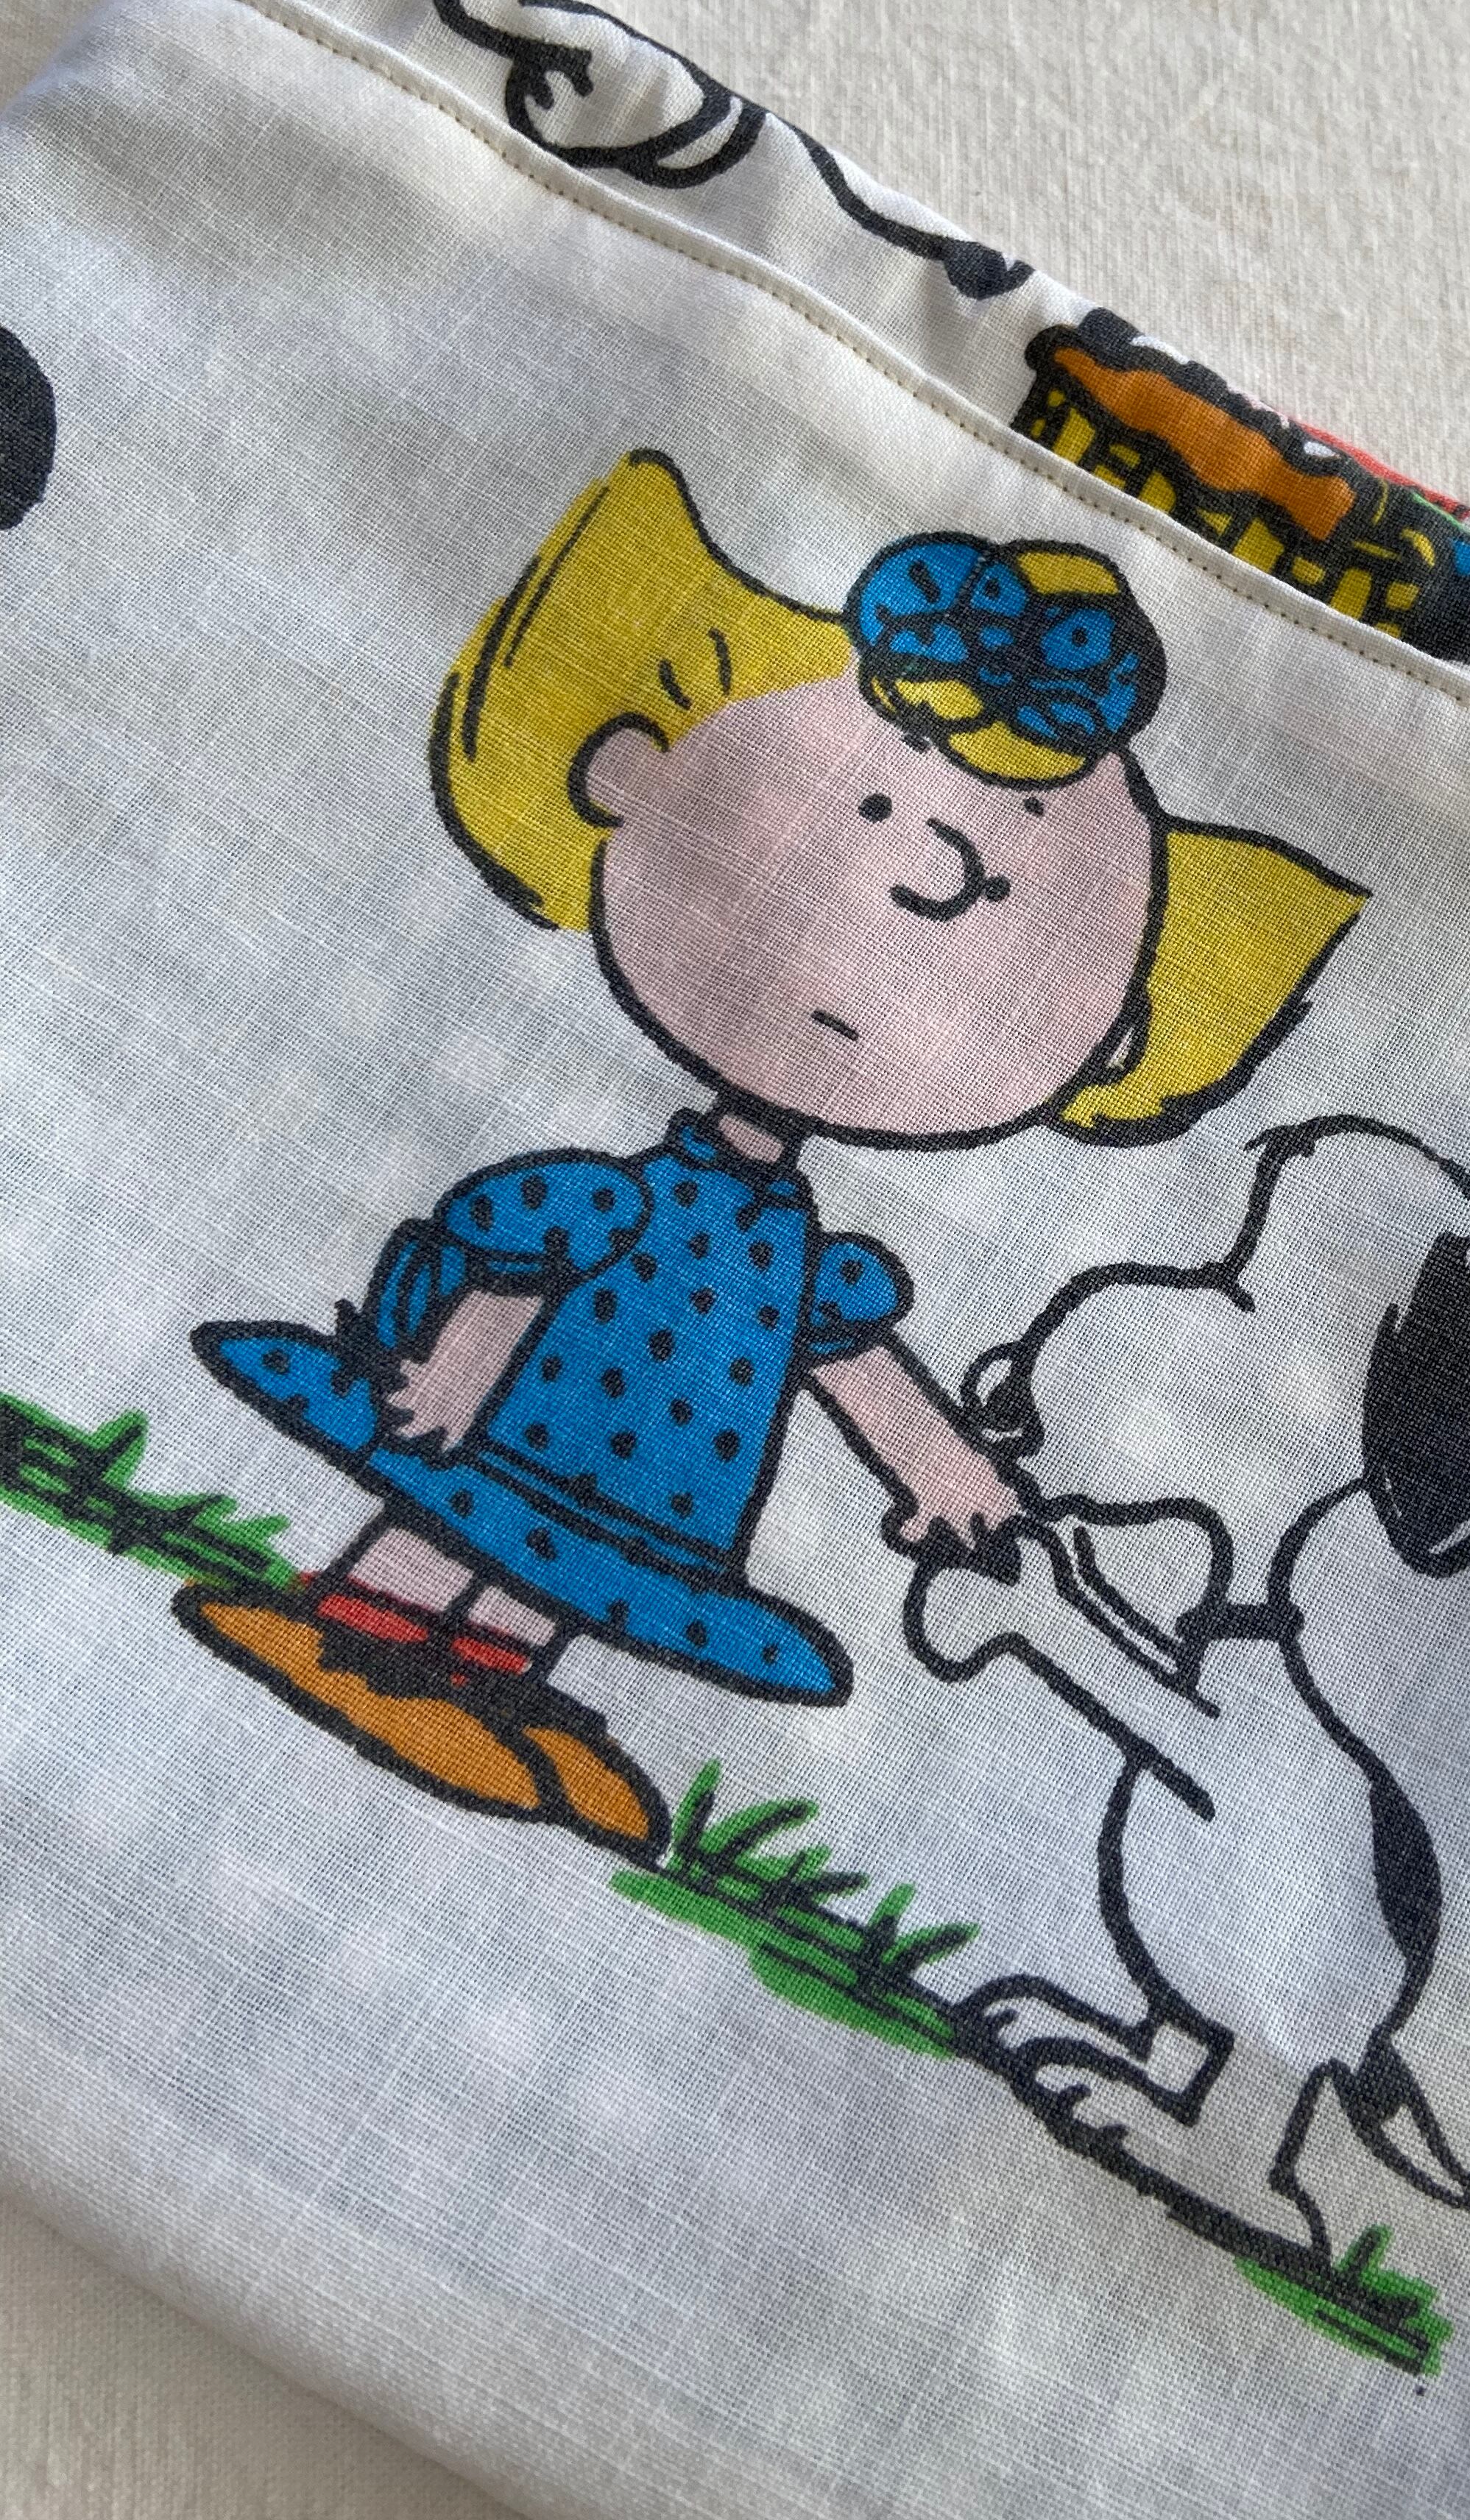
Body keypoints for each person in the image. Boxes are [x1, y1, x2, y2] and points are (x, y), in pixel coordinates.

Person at [178, 451, 1365, 1857]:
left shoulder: (801, 1263)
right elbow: (518, 1259)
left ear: (1111, 1041)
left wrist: (944, 1473)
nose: (923, 874)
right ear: (626, 777)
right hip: (522, 1419)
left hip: (660, 1490)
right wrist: (455, 1370)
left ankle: (485, 1698)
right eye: (865, 813)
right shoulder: (629, 1205)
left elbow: (851, 1362)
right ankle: (357, 1629)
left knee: (566, 1581)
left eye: (992, 897)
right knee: (453, 1521)